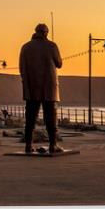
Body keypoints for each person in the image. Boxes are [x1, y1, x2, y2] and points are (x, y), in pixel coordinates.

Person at [19, 23, 63, 153]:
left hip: (32, 88)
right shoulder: (51, 46)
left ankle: (28, 145)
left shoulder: (25, 47)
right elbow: (59, 63)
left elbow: (21, 67)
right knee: (51, 117)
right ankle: (53, 145)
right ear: (46, 33)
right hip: (49, 88)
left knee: (30, 118)